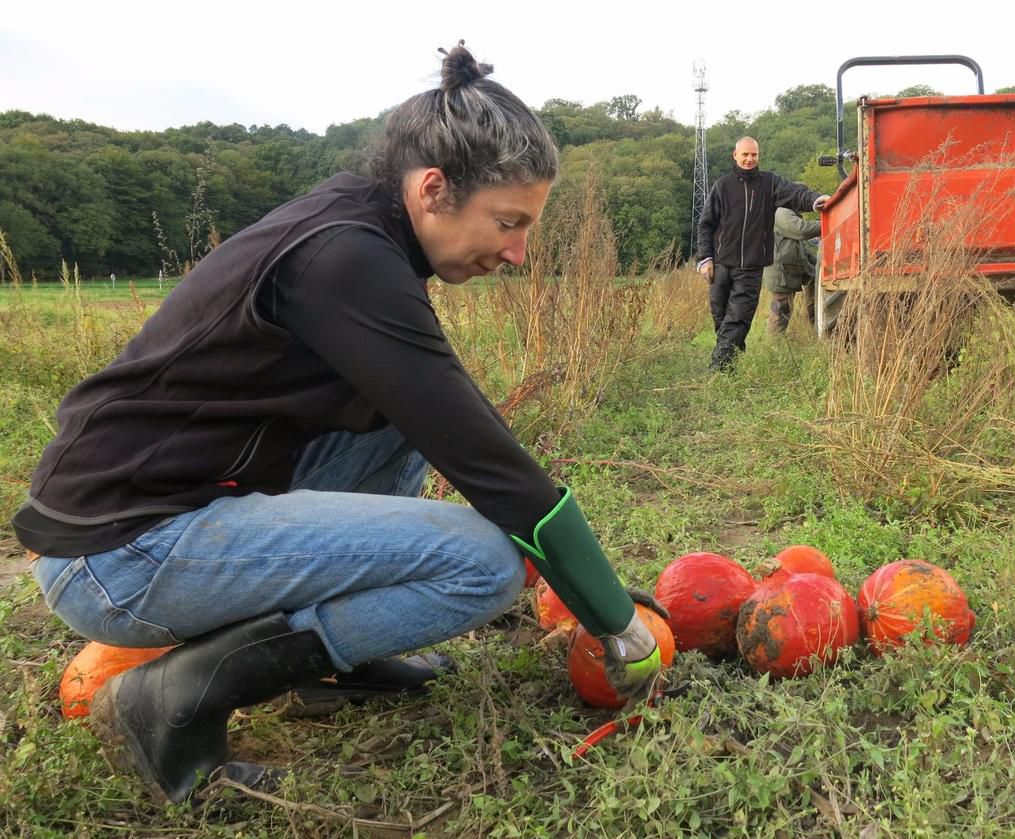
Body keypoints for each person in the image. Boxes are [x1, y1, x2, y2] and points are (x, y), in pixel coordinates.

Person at [12, 43, 665, 804]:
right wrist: (615, 621)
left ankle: (336, 661)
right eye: (508, 222)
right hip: (122, 550)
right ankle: (171, 698)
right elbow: (490, 464)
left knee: (400, 415)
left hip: (166, 504)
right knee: (483, 565)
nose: (519, 253)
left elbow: (449, 417)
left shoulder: (363, 230)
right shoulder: (345, 259)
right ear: (432, 188)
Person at [695, 137, 828, 370]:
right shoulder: (722, 186)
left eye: (754, 155)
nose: (749, 159)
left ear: (758, 156)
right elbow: (706, 224)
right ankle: (730, 358)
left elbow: (795, 193)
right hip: (721, 263)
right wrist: (705, 259)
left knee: (738, 316)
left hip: (751, 267)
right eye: (745, 154)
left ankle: (719, 368)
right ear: (734, 155)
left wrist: (815, 200)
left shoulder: (770, 183)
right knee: (721, 315)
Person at [762, 207, 821, 335]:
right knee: (782, 307)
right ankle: (774, 344)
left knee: (785, 306)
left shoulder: (787, 213)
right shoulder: (782, 212)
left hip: (789, 269)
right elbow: (801, 230)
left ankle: (814, 330)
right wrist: (827, 222)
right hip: (781, 271)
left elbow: (799, 247)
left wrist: (816, 264)